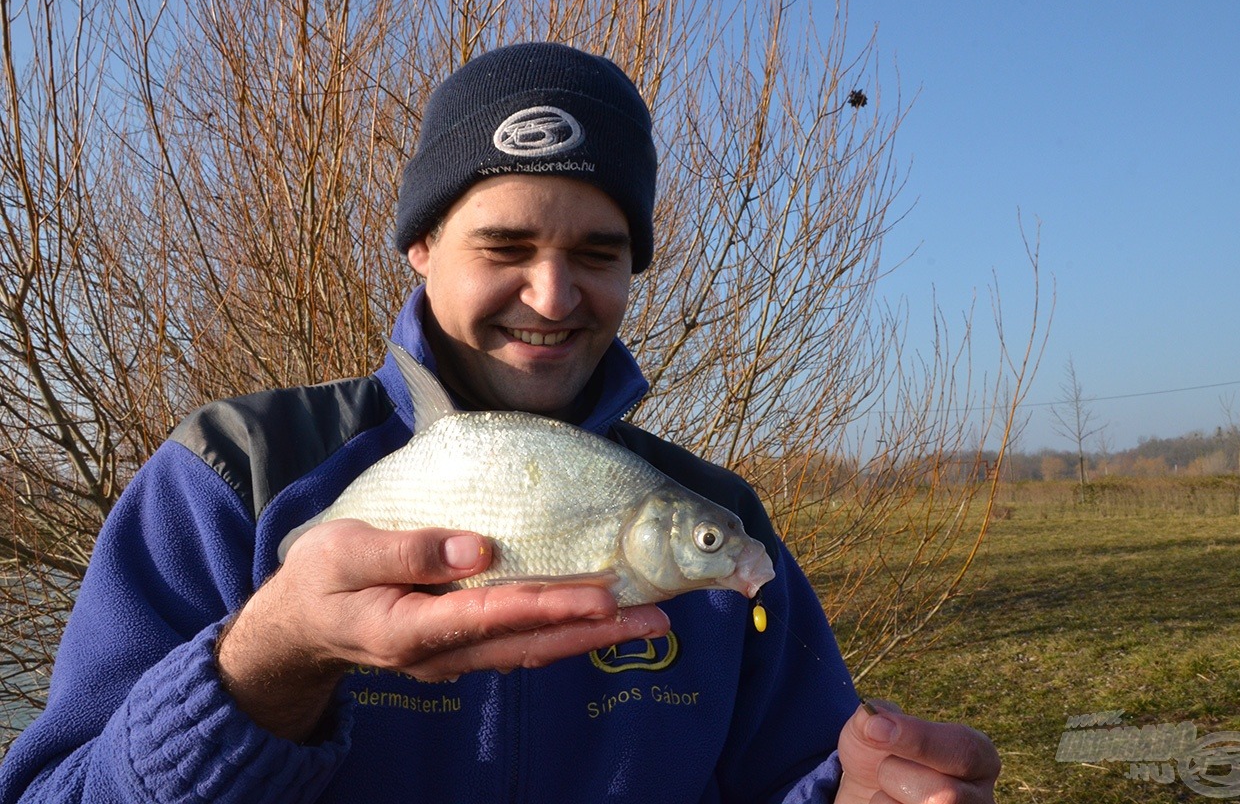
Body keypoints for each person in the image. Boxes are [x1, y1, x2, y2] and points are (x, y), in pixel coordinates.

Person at [0, 42, 999, 803]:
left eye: (599, 252)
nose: (553, 292)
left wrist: (861, 789)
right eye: (505, 244)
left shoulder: (716, 513)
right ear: (422, 245)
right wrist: (274, 657)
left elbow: (794, 772)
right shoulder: (233, 474)